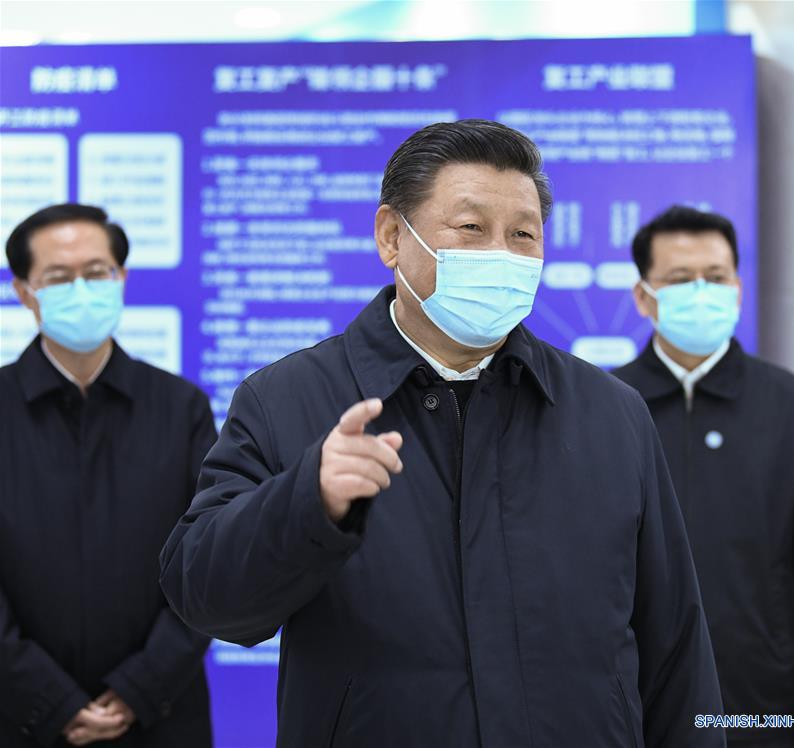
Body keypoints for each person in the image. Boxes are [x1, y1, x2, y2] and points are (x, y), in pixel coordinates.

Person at [160, 119, 726, 748]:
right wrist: (306, 504)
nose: (502, 256)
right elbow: (204, 595)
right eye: (471, 229)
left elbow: (676, 646)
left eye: (523, 235)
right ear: (391, 238)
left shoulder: (611, 413)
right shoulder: (286, 401)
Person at [613, 206, 794, 748]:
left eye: (716, 277)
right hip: (634, 708)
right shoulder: (604, 408)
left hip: (764, 711)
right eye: (680, 279)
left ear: (738, 288)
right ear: (643, 296)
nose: (701, 292)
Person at [0, 204, 216, 747]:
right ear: (26, 292)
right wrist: (49, 700)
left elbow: (209, 560)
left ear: (121, 278)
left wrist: (138, 689)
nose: (81, 289)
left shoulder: (180, 407)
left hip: (160, 716)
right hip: (16, 716)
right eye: (57, 277)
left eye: (96, 273)